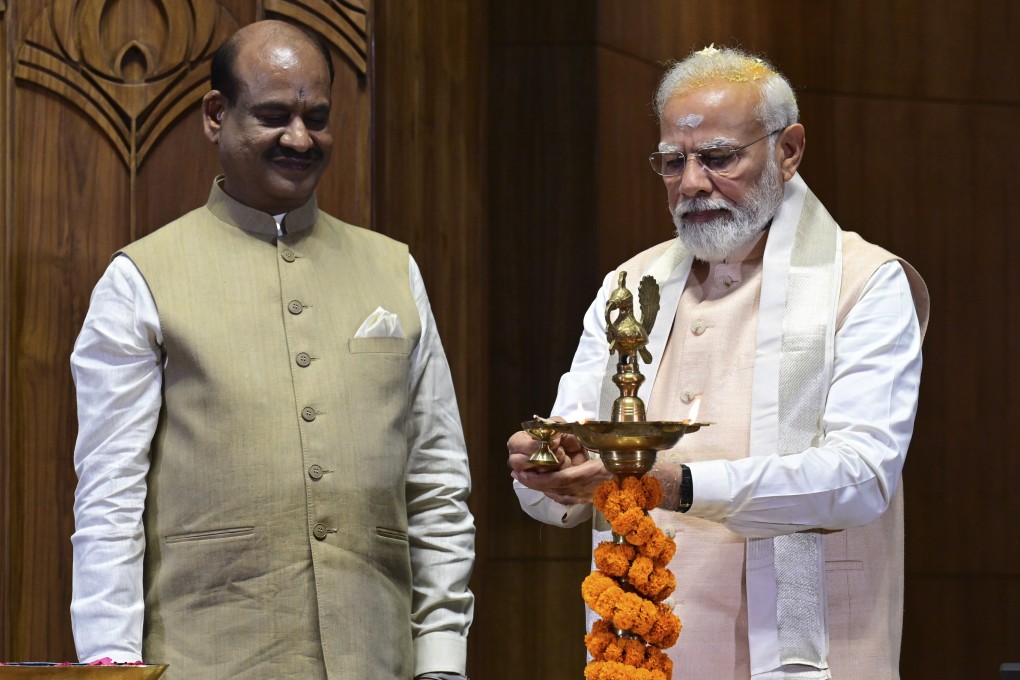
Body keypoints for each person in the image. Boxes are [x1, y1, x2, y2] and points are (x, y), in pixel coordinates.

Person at [508, 45, 928, 680]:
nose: (693, 183)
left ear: (789, 151)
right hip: (641, 644)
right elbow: (565, 489)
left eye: (719, 157)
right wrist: (546, 468)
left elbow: (862, 475)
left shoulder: (865, 281)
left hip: (808, 655)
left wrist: (679, 486)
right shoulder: (631, 285)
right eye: (673, 162)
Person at [70, 20, 474, 680]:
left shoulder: (393, 269)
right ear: (215, 115)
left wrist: (442, 660)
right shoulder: (140, 279)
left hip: (379, 660)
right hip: (203, 661)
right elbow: (109, 500)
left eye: (316, 118)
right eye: (274, 115)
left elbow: (436, 481)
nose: (299, 138)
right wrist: (111, 666)